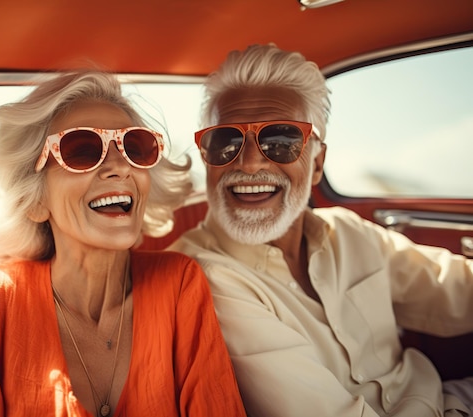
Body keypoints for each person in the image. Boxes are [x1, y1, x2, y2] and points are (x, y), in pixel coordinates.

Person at [169, 43, 473, 417]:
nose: (248, 164)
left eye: (280, 141)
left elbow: (457, 289)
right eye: (226, 142)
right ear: (208, 159)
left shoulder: (348, 232)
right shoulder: (199, 278)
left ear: (317, 164)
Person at [0, 69, 247, 417]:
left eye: (134, 147)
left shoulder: (179, 283)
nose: (120, 167)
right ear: (36, 200)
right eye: (83, 150)